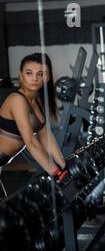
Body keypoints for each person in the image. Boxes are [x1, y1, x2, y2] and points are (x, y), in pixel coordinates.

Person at [0, 53, 69, 197]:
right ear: (21, 76)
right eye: (29, 73)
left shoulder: (37, 101)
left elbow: (46, 137)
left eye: (41, 73)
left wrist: (64, 166)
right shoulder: (16, 100)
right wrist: (56, 173)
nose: (35, 78)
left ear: (48, 77)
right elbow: (31, 142)